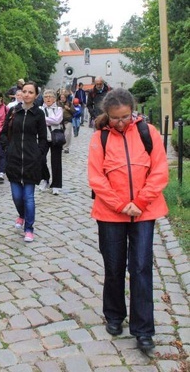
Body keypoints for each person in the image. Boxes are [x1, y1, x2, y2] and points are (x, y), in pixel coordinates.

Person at [88, 88, 169, 353]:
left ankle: (143, 329)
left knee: (142, 268)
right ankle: (114, 314)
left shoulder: (149, 133)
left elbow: (159, 169)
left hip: (144, 211)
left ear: (132, 111)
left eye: (125, 117)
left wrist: (140, 202)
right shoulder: (99, 138)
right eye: (115, 118)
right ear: (107, 115)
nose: (121, 122)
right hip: (111, 213)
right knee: (113, 267)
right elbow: (96, 178)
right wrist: (122, 204)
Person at [0, 81, 47, 242]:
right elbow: (4, 132)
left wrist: (38, 154)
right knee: (16, 196)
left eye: (30, 92)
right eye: (24, 91)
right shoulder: (14, 111)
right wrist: (8, 148)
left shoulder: (39, 114)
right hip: (13, 159)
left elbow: (43, 138)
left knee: (28, 197)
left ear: (36, 95)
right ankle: (21, 215)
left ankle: (29, 228)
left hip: (30, 161)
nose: (26, 94)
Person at [39, 89, 64, 195]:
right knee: (40, 159)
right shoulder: (40, 108)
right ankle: (45, 178)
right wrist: (50, 119)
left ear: (54, 98)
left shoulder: (59, 109)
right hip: (43, 137)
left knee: (56, 162)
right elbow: (40, 121)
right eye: (46, 96)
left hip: (56, 137)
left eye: (50, 96)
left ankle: (56, 185)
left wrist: (44, 119)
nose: (48, 98)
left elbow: (57, 120)